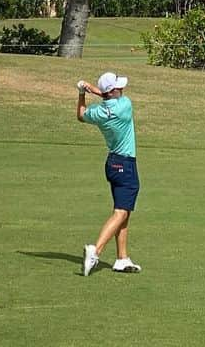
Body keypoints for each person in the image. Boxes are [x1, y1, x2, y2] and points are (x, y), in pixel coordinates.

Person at [75, 71, 142, 276]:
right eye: (118, 87)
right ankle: (96, 251)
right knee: (121, 212)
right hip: (126, 165)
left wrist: (82, 93)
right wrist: (94, 90)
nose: (122, 89)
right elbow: (109, 96)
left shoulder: (98, 113)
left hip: (112, 163)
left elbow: (81, 115)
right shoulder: (125, 106)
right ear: (112, 91)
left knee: (123, 211)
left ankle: (122, 258)